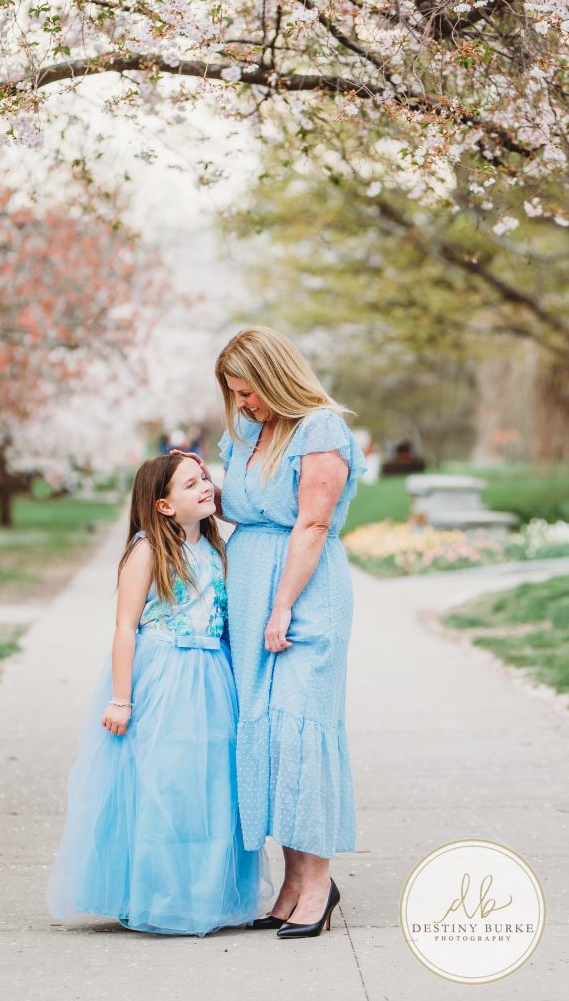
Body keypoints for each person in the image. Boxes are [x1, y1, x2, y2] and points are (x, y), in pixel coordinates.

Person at [172, 326, 368, 940]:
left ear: (277, 377)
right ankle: (291, 882)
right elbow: (245, 507)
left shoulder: (321, 430)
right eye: (235, 394)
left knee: (302, 730)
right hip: (253, 595)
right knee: (265, 733)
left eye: (248, 391)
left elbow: (311, 524)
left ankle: (319, 885)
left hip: (303, 597)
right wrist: (184, 484)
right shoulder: (254, 432)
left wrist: (282, 605)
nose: (243, 404)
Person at [45, 452, 273, 936]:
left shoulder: (214, 547)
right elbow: (125, 628)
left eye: (204, 478)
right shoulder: (147, 550)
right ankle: (154, 893)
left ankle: (206, 895)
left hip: (213, 675)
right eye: (190, 485)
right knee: (164, 780)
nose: (205, 487)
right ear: (165, 505)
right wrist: (121, 698)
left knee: (211, 785)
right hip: (166, 675)